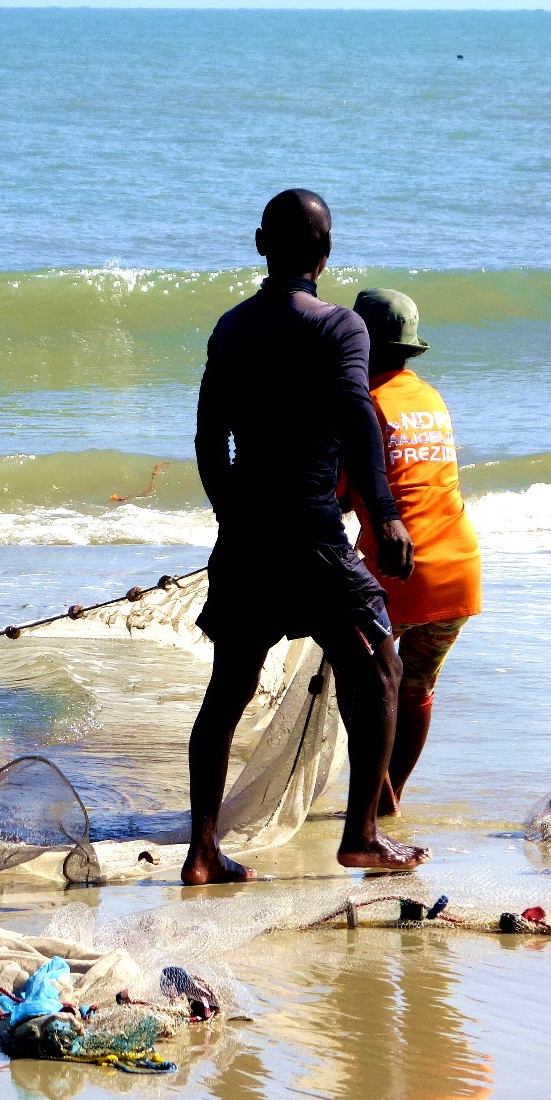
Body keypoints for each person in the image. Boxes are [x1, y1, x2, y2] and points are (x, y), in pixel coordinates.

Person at [184, 189, 431, 884]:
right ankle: (361, 836)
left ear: (260, 243)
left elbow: (209, 440)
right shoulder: (342, 329)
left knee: (228, 687)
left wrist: (232, 515)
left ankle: (202, 850)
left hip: (247, 537)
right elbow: (357, 413)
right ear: (326, 256)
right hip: (314, 536)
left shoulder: (230, 329)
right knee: (381, 664)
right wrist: (383, 510)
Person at [346, 289, 483, 817]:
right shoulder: (429, 397)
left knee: (365, 690)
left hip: (397, 571)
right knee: (417, 686)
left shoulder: (362, 403)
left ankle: (376, 797)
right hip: (458, 567)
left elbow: (338, 492)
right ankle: (390, 798)